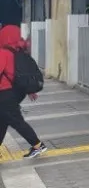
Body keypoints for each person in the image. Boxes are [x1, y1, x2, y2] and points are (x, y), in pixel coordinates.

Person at [0, 25, 47, 158]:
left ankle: (38, 145)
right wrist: (28, 90)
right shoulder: (17, 52)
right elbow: (18, 74)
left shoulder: (3, 53)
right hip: (11, 93)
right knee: (2, 121)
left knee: (16, 121)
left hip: (5, 94)